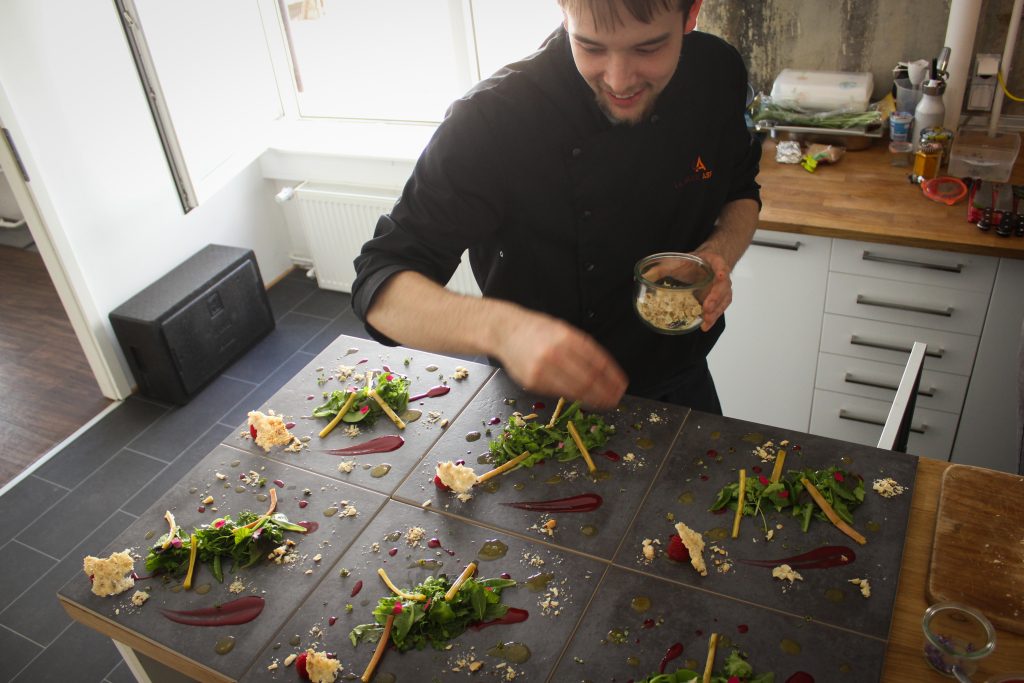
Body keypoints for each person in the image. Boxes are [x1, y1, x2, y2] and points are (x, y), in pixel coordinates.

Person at [351, 0, 761, 412]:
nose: (618, 80)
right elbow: (381, 284)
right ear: (564, 13)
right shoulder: (495, 117)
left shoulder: (717, 73)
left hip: (681, 383)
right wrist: (503, 331)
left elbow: (741, 190)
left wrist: (715, 255)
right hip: (537, 402)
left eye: (648, 49)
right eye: (590, 46)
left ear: (691, 14)